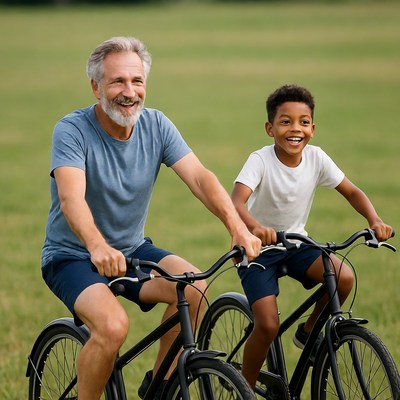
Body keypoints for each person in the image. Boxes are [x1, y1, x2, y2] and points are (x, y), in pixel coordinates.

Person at [41, 36, 261, 400]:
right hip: (73, 256)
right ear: (96, 87)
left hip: (131, 251)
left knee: (195, 288)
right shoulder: (72, 130)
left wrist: (238, 228)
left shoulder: (156, 125)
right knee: (113, 327)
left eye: (137, 81)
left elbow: (201, 179)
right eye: (117, 82)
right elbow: (70, 197)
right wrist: (96, 246)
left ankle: (159, 388)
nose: (130, 92)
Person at [231, 84, 393, 390]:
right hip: (256, 250)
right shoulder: (260, 160)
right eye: (285, 121)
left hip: (296, 244)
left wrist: (374, 220)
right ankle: (245, 387)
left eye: (303, 122)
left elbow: (352, 191)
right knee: (266, 325)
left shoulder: (316, 158)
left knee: (343, 278)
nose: (296, 129)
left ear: (313, 129)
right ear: (270, 128)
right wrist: (254, 228)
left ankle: (307, 331)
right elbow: (236, 202)